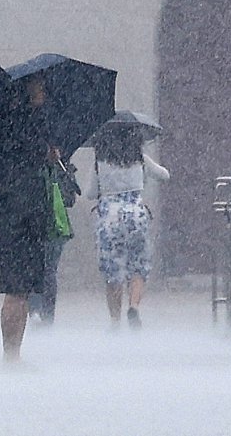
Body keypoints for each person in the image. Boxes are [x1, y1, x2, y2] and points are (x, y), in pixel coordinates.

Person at [0, 75, 57, 362]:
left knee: (17, 289)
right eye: (42, 87)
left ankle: (13, 353)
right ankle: (11, 355)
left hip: (11, 209)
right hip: (26, 211)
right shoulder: (30, 123)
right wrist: (47, 153)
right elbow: (35, 154)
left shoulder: (6, 123)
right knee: (18, 290)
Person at [86, 132, 170, 329]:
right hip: (136, 216)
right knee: (138, 266)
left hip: (109, 219)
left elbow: (90, 193)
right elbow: (164, 175)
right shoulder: (140, 159)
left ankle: (115, 321)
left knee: (112, 271)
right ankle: (133, 306)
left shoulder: (100, 162)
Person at [28, 158, 80, 326]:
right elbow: (69, 199)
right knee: (48, 271)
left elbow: (69, 198)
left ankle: (37, 310)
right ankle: (45, 314)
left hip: (41, 222)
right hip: (54, 224)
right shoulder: (60, 159)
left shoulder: (31, 162)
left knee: (37, 268)